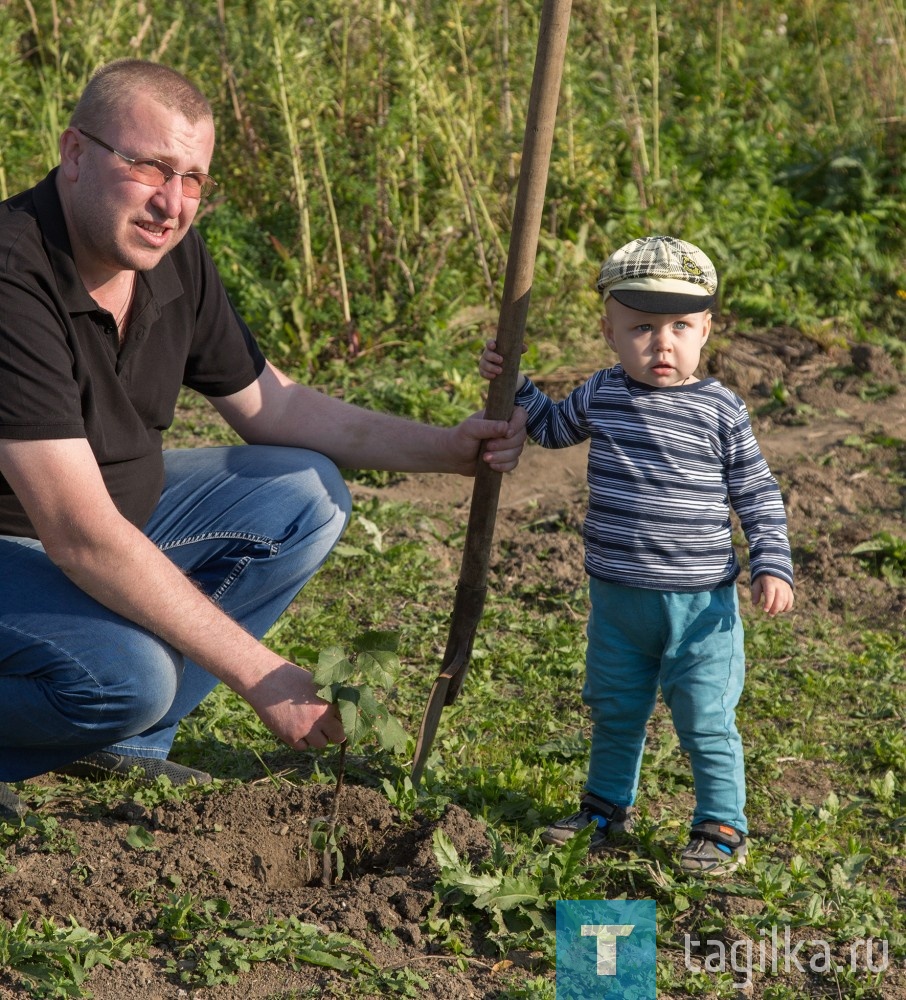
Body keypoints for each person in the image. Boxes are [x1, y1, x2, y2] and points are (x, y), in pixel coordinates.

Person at [0, 59, 526, 820]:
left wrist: (450, 450)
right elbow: (80, 535)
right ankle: (89, 717)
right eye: (149, 166)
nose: (170, 203)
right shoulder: (14, 277)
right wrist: (262, 674)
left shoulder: (167, 255)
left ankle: (125, 742)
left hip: (95, 527)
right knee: (129, 677)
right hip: (26, 541)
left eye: (193, 179)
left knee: (301, 493)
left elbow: (274, 409)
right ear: (75, 153)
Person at [479, 235, 794, 876]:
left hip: (700, 605)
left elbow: (757, 492)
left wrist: (771, 562)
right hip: (618, 600)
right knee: (616, 709)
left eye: (681, 325)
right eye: (642, 327)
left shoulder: (720, 410)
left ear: (706, 330)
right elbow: (553, 427)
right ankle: (604, 809)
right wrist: (515, 382)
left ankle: (720, 823)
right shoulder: (602, 393)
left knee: (706, 717)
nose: (662, 343)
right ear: (610, 331)